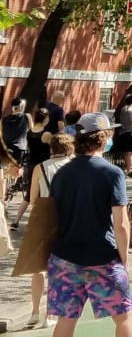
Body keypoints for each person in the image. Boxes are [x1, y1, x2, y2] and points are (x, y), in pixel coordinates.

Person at [48, 113, 132, 337]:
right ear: (103, 138)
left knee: (66, 321)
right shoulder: (112, 173)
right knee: (125, 317)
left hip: (64, 258)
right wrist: (123, 258)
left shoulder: (61, 173)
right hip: (102, 257)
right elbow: (121, 224)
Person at [15, 132, 73, 328]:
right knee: (57, 269)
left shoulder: (40, 167)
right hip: (66, 219)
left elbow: (32, 199)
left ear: (52, 148)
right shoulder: (73, 166)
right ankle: (49, 315)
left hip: (43, 218)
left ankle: (34, 313)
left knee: (38, 269)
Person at [12, 107, 51, 229]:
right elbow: (52, 150)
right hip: (43, 166)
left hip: (31, 164)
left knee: (29, 194)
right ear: (46, 119)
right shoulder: (46, 134)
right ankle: (39, 223)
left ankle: (16, 221)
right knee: (44, 193)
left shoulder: (29, 132)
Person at [112, 94, 132, 175]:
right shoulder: (131, 110)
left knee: (126, 152)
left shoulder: (123, 109)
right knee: (130, 153)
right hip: (130, 133)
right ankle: (129, 171)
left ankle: (126, 169)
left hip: (123, 132)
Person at [2, 98, 30, 166]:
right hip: (20, 148)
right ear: (22, 107)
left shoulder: (4, 120)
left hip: (6, 147)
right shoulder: (27, 116)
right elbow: (31, 130)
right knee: (16, 170)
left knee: (5, 170)